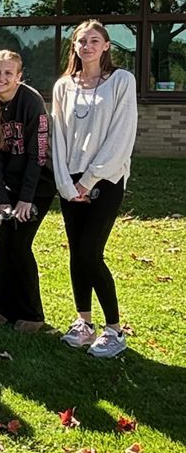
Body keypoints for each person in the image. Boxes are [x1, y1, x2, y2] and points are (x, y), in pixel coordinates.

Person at [52, 20, 137, 358]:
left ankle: (114, 331)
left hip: (106, 181)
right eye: (81, 41)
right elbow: (57, 139)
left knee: (90, 252)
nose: (86, 46)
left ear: (105, 47)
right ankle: (83, 323)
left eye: (94, 40)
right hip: (70, 184)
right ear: (74, 47)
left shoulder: (121, 82)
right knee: (77, 253)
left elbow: (121, 137)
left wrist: (89, 180)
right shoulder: (63, 87)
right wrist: (66, 183)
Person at [0, 50, 56, 332]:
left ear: (19, 77)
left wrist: (25, 199)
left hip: (37, 186)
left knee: (20, 247)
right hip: (9, 187)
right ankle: (2, 308)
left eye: (9, 73)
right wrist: (1, 198)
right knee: (4, 247)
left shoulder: (31, 102)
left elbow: (38, 155)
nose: (2, 77)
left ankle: (32, 314)